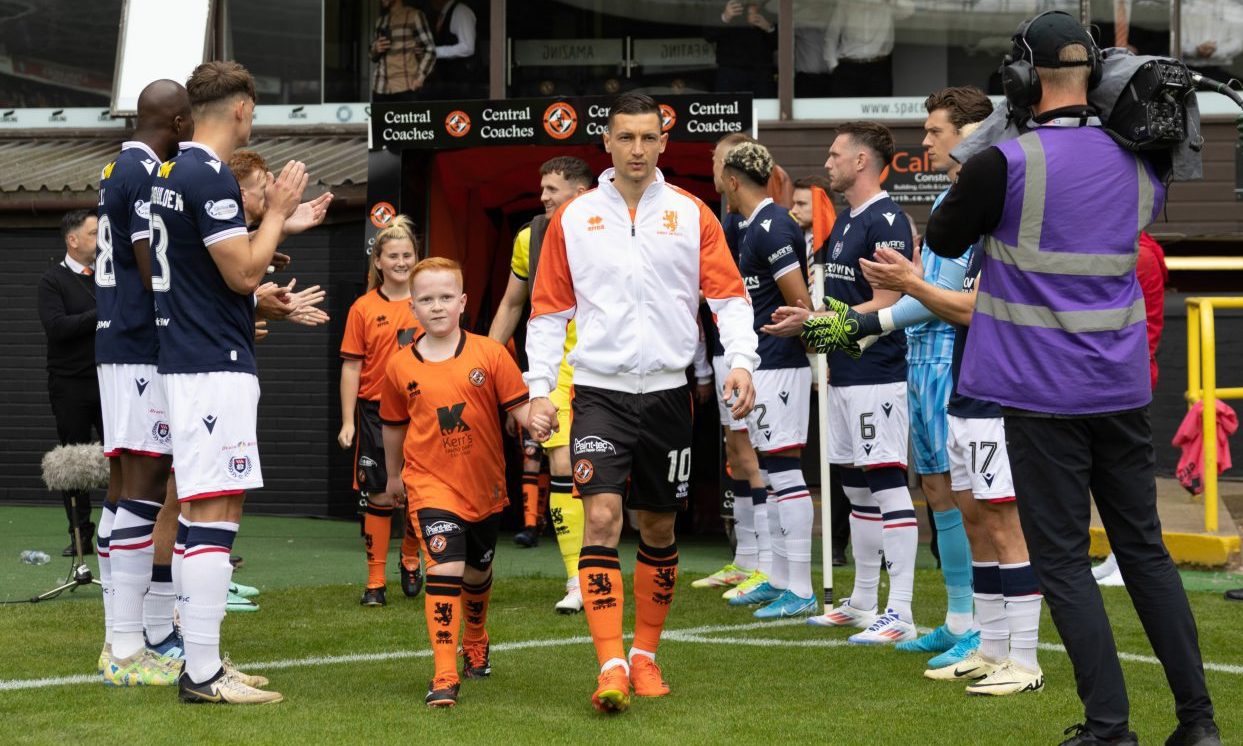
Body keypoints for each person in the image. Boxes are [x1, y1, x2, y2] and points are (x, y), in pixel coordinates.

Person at [923, 12, 1220, 744]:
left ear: (1018, 81)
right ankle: (1198, 725)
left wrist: (996, 126)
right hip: (1118, 388)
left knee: (1062, 563)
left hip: (1039, 392)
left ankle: (1108, 728)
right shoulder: (1139, 162)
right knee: (1144, 553)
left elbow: (941, 236)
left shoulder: (1002, 162)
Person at [525, 92, 758, 713]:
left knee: (657, 525)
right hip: (598, 392)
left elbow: (729, 299)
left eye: (647, 138)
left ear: (663, 142)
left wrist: (740, 361)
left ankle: (647, 656)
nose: (636, 149)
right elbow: (548, 311)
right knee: (601, 518)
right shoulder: (572, 218)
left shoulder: (691, 213)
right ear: (606, 142)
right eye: (624, 137)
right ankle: (610, 665)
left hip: (667, 394)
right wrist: (538, 390)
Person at [152, 59, 304, 705]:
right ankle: (202, 675)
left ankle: (204, 660)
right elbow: (241, 271)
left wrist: (251, 299)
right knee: (212, 511)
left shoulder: (172, 172)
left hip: (195, 357)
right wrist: (277, 212)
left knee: (211, 509)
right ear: (241, 108)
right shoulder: (208, 174)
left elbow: (213, 278)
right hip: (210, 366)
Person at [828, 88, 995, 665]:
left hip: (951, 355)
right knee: (938, 493)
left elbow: (943, 297)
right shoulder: (955, 193)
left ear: (970, 132)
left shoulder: (984, 196)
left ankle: (983, 626)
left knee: (971, 498)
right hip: (925, 355)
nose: (924, 141)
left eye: (935, 130)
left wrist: (861, 323)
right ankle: (957, 618)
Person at [763, 121, 919, 646]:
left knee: (887, 485)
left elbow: (892, 305)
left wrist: (812, 325)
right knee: (856, 489)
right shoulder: (846, 219)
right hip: (842, 374)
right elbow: (841, 302)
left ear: (861, 162)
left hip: (878, 375)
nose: (826, 163)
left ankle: (899, 612)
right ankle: (862, 602)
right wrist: (811, 318)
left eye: (835, 155)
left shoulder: (889, 219)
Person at [380, 257, 546, 708]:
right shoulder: (398, 367)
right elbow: (393, 426)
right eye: (427, 299)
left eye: (446, 297)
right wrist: (395, 476)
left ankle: (476, 636)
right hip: (429, 484)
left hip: (484, 487)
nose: (437, 307)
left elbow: (520, 411)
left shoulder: (491, 355)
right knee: (446, 570)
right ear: (412, 307)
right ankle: (444, 673)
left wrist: (539, 420)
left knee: (477, 573)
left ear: (463, 302)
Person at [94, 80, 194, 688]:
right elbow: (147, 260)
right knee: (145, 484)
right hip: (137, 344)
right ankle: (125, 648)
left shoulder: (116, 165)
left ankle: (129, 638)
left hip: (117, 343)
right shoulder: (145, 173)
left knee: (131, 484)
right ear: (180, 121)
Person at [715, 141, 817, 620]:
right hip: (764, 360)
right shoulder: (755, 225)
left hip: (779, 360)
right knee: (773, 472)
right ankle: (780, 579)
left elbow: (800, 304)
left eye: (721, 172)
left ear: (734, 180)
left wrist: (808, 339)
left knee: (784, 469)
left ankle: (800, 588)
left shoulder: (773, 226)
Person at [487, 156, 593, 614]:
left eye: (553, 189)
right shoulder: (531, 237)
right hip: (560, 373)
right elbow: (513, 303)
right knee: (562, 462)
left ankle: (599, 569)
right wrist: (485, 359)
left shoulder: (610, 229)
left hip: (614, 371)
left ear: (582, 192)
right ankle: (577, 579)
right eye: (542, 188)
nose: (543, 197)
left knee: (608, 483)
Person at [694, 133, 772, 599]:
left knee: (754, 454)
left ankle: (765, 562)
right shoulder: (730, 220)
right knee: (736, 454)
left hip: (751, 356)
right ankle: (745, 559)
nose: (714, 165)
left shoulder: (762, 223)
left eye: (720, 158)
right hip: (725, 352)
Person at [340, 216, 424, 607]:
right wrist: (346, 421)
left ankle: (410, 556)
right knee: (379, 495)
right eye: (393, 255)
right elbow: (352, 366)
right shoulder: (362, 307)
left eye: (407, 254)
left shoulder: (428, 302)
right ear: (378, 261)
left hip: (423, 409)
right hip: (374, 413)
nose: (401, 261)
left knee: (416, 493)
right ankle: (375, 583)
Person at [38, 210, 103, 556]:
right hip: (70, 386)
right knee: (74, 461)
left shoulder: (110, 275)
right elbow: (57, 327)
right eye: (94, 233)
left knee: (122, 456)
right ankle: (80, 536)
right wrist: (102, 313)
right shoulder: (53, 281)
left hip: (109, 382)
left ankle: (126, 528)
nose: (101, 239)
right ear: (72, 240)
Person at [823, 0, 914, 97]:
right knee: (846, 111)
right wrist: (833, 66)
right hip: (848, 68)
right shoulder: (846, 2)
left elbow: (909, 11)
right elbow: (831, 35)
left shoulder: (887, 3)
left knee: (879, 109)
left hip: (878, 68)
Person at [706, 2, 777, 97]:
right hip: (730, 72)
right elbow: (708, 35)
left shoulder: (770, 10)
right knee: (730, 109)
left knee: (763, 110)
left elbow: (783, 44)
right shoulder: (724, 6)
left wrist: (769, 27)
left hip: (761, 73)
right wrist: (725, 17)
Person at [371, 0, 436, 103]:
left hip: (406, 87)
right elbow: (373, 57)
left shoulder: (414, 16)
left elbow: (430, 49)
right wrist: (376, 49)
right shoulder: (381, 21)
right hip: (380, 87)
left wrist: (420, 78)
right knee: (379, 119)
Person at [426, 0, 479, 99]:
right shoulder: (443, 14)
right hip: (448, 82)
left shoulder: (461, 12)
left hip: (462, 83)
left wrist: (434, 51)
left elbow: (467, 47)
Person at [1180, 0, 1243, 83]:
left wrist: (1215, 50)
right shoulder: (1183, 7)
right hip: (1186, 68)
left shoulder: (1234, 8)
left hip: (1222, 69)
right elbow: (1176, 39)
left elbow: (1237, 42)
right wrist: (1195, 50)